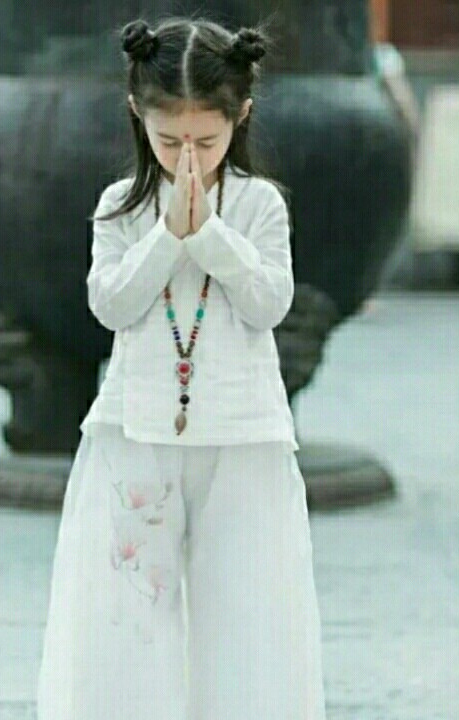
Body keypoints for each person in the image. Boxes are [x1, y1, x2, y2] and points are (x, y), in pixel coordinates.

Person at [36, 16, 326, 720]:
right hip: (136, 430)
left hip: (243, 433)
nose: (187, 158)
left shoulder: (258, 204)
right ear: (138, 115)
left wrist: (211, 236)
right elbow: (111, 304)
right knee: (130, 615)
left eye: (205, 141)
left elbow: (269, 303)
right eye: (170, 141)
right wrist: (169, 234)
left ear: (240, 116)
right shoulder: (121, 207)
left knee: (246, 616)